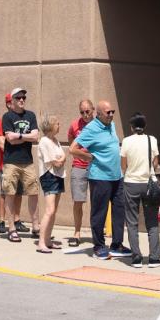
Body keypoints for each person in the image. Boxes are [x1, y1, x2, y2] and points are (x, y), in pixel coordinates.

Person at [70, 99, 131, 260]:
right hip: (99, 177)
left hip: (116, 176)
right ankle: (98, 246)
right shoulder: (91, 128)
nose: (111, 115)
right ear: (98, 114)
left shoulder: (111, 124)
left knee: (119, 210)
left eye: (113, 112)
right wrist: (89, 156)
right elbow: (73, 149)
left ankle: (117, 244)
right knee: (99, 212)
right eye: (108, 113)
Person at [120, 112, 160, 268]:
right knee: (152, 222)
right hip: (148, 184)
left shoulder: (126, 141)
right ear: (144, 126)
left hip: (131, 183)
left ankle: (136, 257)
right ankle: (154, 258)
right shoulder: (152, 140)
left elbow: (123, 165)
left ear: (131, 127)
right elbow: (156, 164)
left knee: (132, 222)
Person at [0, 88, 40, 242]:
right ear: (13, 100)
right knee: (10, 193)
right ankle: (11, 228)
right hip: (11, 162)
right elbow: (9, 138)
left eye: (23, 97)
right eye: (18, 98)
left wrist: (20, 136)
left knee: (33, 192)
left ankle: (36, 226)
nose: (22, 100)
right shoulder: (7, 116)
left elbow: (36, 136)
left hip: (27, 161)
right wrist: (26, 136)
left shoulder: (31, 115)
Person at [34, 115, 66, 253]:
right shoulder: (44, 141)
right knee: (50, 210)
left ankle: (48, 240)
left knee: (54, 211)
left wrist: (60, 159)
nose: (59, 125)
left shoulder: (55, 140)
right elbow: (55, 161)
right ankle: (41, 242)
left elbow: (64, 156)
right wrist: (59, 160)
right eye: (57, 123)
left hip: (58, 175)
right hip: (49, 176)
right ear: (50, 125)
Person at [67, 99, 95, 247]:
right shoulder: (74, 125)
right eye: (82, 112)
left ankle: (96, 234)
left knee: (98, 202)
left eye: (87, 111)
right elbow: (71, 140)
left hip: (96, 166)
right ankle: (77, 233)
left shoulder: (100, 125)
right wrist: (78, 154)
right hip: (79, 166)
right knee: (78, 201)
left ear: (93, 110)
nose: (85, 115)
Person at [0, 93, 11, 235]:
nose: (18, 102)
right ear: (7, 104)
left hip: (20, 163)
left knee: (17, 193)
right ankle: (1, 221)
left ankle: (15, 221)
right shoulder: (2, 120)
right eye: (12, 101)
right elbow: (0, 142)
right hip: (5, 163)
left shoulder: (22, 119)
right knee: (4, 192)